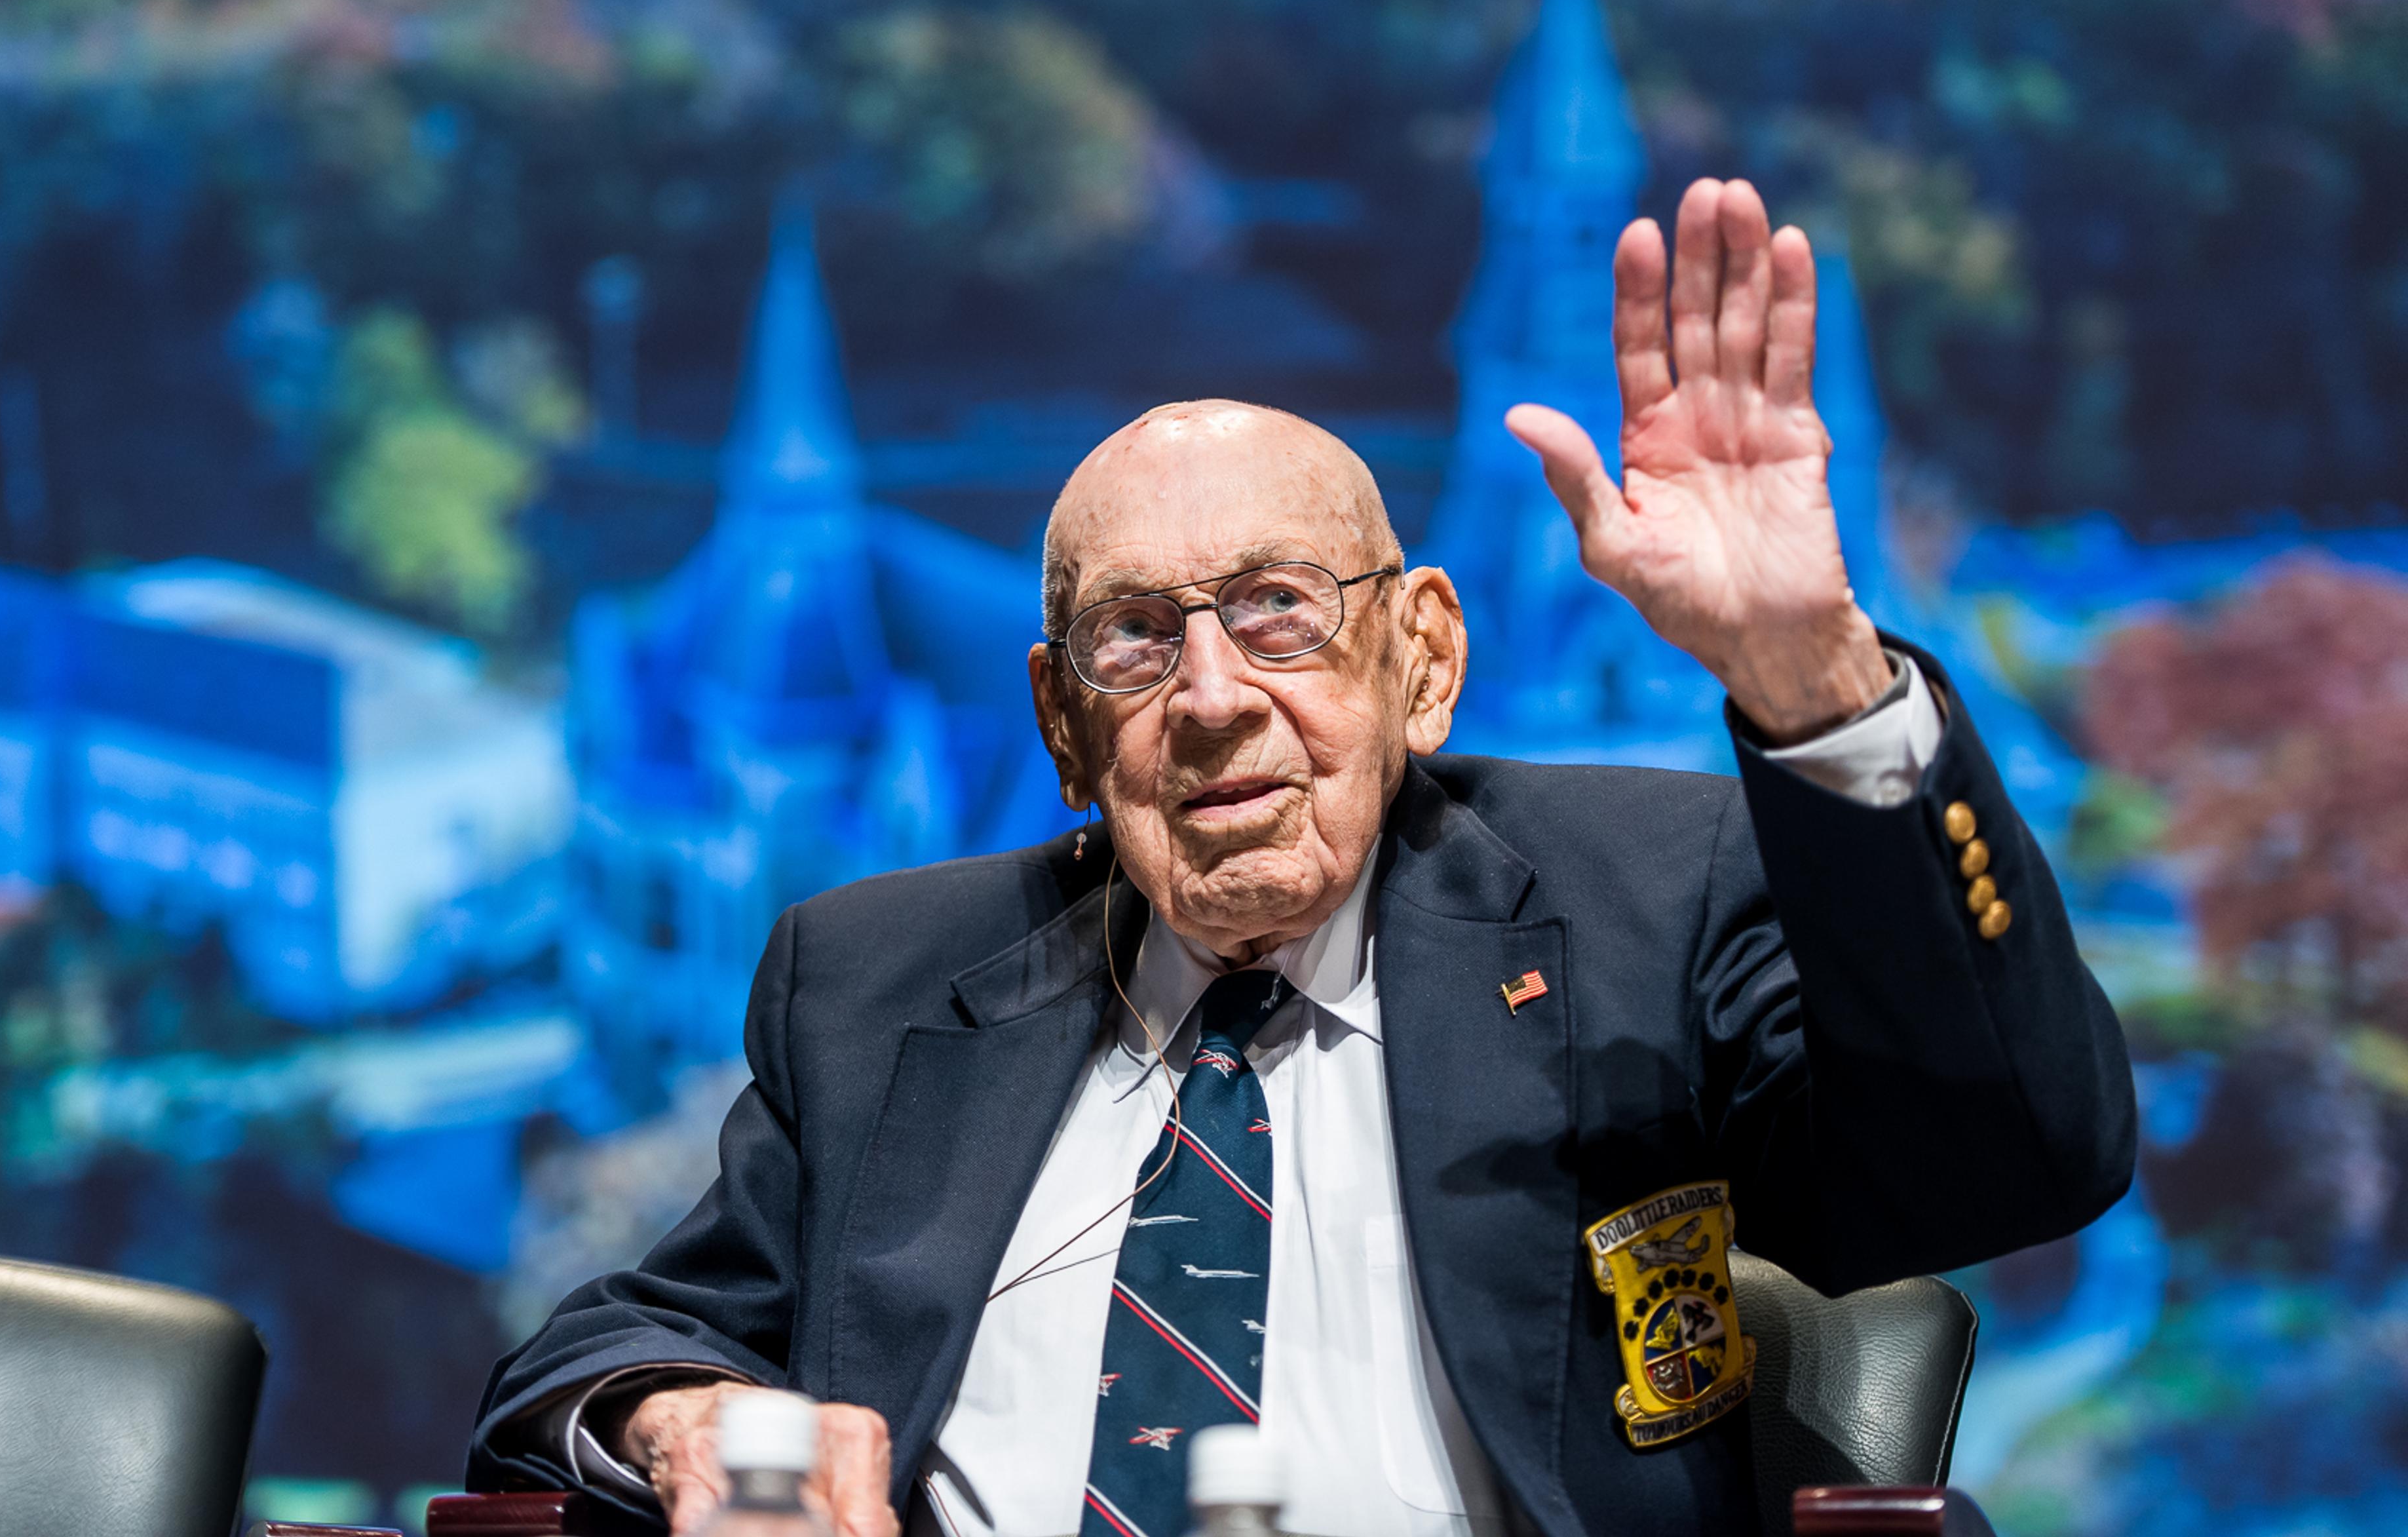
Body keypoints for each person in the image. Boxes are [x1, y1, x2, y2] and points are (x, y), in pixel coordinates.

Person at [469, 180, 2136, 1537]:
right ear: (1061, 725)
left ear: (1422, 658)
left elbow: (2009, 1154)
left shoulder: (1645, 898)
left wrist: (1813, 679)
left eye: (1279, 612)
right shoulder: (875, 978)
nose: (1210, 698)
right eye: (1134, 640)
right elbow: (608, 1343)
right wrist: (679, 1419)